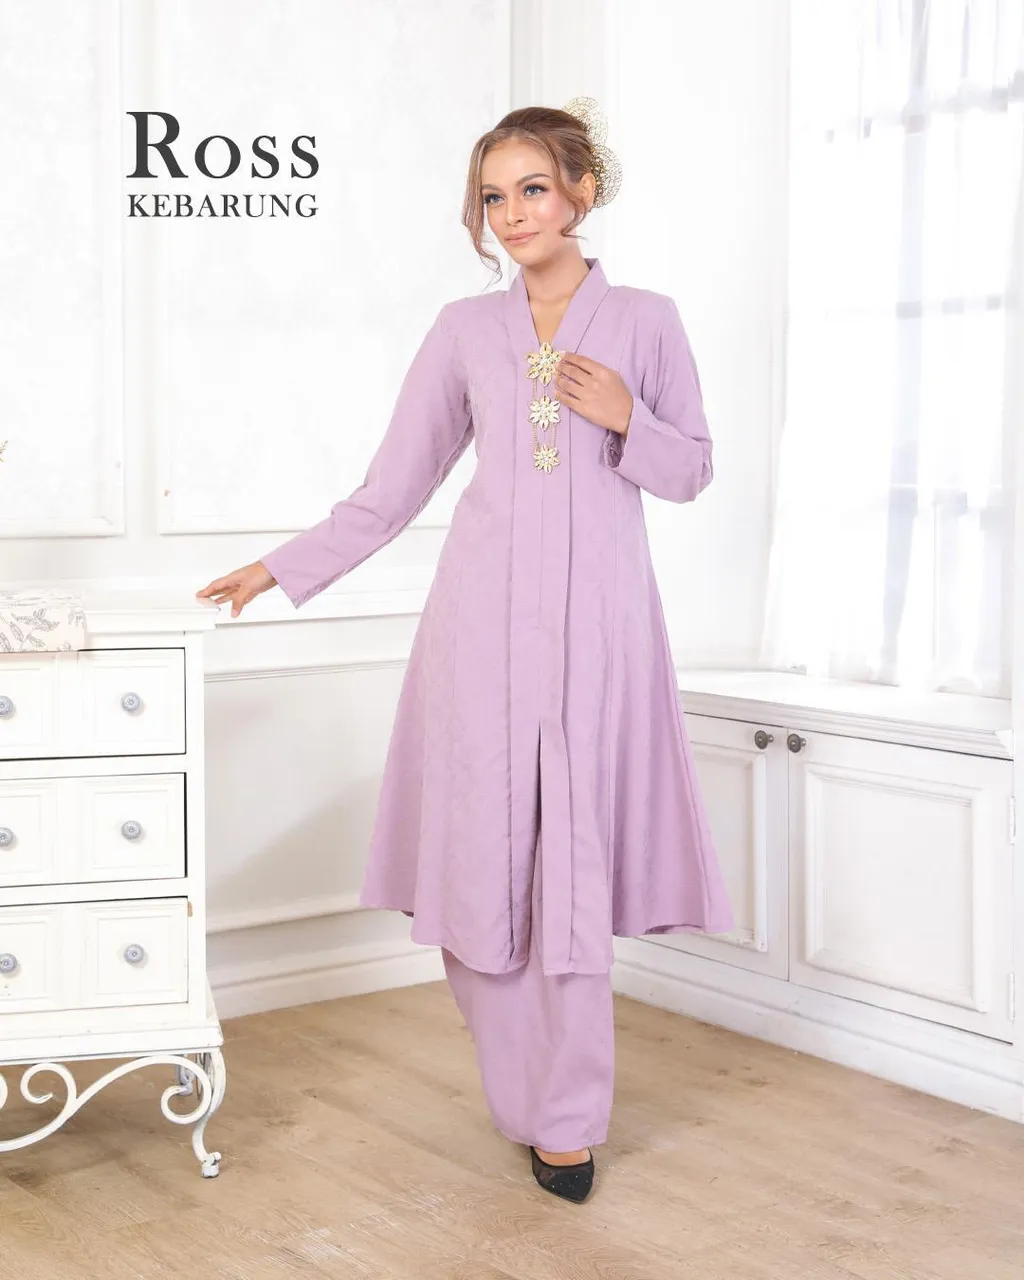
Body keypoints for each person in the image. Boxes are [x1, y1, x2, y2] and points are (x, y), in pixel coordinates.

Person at [196, 99, 734, 1204]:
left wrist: (628, 416)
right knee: (480, 869)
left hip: (599, 642)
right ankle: (524, 1093)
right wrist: (281, 567)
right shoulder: (463, 331)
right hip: (479, 633)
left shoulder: (646, 320)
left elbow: (690, 471)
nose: (512, 213)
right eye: (493, 196)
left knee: (570, 878)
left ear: (582, 192)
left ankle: (567, 1121)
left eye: (533, 188)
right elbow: (394, 485)